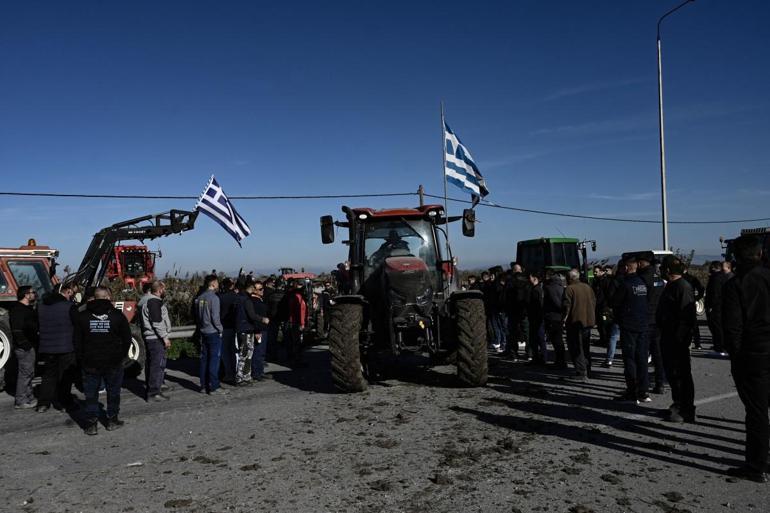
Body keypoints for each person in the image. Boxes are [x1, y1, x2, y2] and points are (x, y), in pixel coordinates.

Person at [722, 235, 770, 482]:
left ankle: (756, 464)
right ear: (759, 254)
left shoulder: (736, 284)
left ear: (735, 257)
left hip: (753, 355)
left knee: (757, 412)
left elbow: (733, 328)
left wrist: (737, 355)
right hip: (760, 351)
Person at [72, 287, 132, 435]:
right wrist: (121, 356)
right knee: (113, 391)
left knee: (91, 393)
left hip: (90, 362)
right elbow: (127, 338)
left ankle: (92, 424)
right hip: (113, 361)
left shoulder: (82, 316)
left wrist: (81, 358)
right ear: (107, 297)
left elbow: (76, 341)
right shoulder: (117, 315)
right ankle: (112, 420)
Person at [657, 257, 697, 422]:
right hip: (668, 337)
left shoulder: (683, 287)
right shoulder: (672, 286)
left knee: (681, 375)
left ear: (667, 270)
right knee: (673, 374)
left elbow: (687, 318)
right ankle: (677, 403)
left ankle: (685, 409)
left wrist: (680, 340)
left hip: (677, 340)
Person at [36, 283, 78, 413]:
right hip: (66, 346)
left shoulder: (41, 306)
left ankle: (43, 403)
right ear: (66, 292)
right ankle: (64, 402)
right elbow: (77, 324)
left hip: (47, 347)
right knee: (65, 377)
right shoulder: (69, 306)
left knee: (48, 376)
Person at [612, 257, 649, 402]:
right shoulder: (642, 283)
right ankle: (644, 390)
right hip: (643, 324)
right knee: (642, 359)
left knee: (630, 359)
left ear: (627, 268)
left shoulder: (625, 284)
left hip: (629, 325)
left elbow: (615, 302)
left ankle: (632, 391)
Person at [638, 254, 666, 394]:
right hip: (658, 320)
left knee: (642, 354)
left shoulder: (643, 279)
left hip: (645, 320)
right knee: (658, 354)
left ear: (643, 263)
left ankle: (643, 386)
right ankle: (660, 383)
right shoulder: (659, 279)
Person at [140, 281, 172, 402]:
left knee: (152, 364)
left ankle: (153, 388)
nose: (165, 291)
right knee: (157, 365)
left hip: (150, 337)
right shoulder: (154, 301)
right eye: (164, 289)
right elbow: (157, 322)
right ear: (159, 290)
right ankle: (154, 393)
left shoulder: (145, 299)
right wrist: (165, 337)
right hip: (155, 338)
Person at [562, 269, 596, 381]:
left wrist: (564, 320)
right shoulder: (587, 287)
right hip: (588, 321)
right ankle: (588, 369)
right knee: (585, 347)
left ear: (570, 278)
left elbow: (566, 307)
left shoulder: (569, 289)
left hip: (575, 322)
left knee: (576, 348)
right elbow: (594, 302)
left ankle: (581, 372)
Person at [10, 286, 39, 410]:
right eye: (33, 293)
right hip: (25, 347)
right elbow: (17, 330)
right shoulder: (18, 310)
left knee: (29, 373)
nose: (35, 295)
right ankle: (20, 400)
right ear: (26, 295)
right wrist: (25, 345)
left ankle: (29, 397)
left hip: (30, 345)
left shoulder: (27, 309)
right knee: (25, 373)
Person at [195, 274, 225, 394]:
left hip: (203, 331)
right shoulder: (214, 298)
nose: (218, 285)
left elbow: (197, 316)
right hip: (213, 332)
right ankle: (214, 386)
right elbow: (215, 317)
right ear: (212, 283)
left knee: (204, 359)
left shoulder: (200, 297)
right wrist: (220, 329)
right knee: (214, 359)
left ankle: (203, 385)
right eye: (217, 282)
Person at [504, 263, 530, 359]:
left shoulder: (510, 281)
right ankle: (529, 353)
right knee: (527, 332)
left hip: (512, 310)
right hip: (524, 311)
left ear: (513, 270)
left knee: (512, 333)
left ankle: (514, 353)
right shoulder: (527, 280)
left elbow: (505, 296)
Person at [706, 260, 732, 356]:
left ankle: (719, 348)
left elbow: (715, 293)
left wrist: (711, 306)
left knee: (716, 327)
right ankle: (720, 346)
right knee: (718, 327)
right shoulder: (721, 277)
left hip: (715, 307)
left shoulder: (716, 278)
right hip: (719, 306)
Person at [543, 270, 566, 368]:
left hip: (553, 316)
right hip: (559, 316)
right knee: (558, 339)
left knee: (556, 340)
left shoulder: (550, 287)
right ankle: (561, 360)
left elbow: (556, 302)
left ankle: (560, 362)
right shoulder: (560, 286)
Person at [601, 263, 623, 367]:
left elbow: (610, 296)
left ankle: (609, 359)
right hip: (629, 314)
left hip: (616, 313)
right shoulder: (631, 280)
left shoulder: (614, 281)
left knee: (613, 337)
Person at [217, 277, 238, 384]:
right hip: (234, 327)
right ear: (232, 285)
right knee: (234, 351)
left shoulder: (220, 298)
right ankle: (235, 372)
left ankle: (228, 373)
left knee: (225, 352)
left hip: (223, 327)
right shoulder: (236, 297)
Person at [249, 281, 271, 381]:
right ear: (254, 290)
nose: (263, 291)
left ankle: (260, 371)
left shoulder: (259, 300)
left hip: (263, 329)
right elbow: (255, 318)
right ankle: (256, 373)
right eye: (260, 289)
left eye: (263, 289)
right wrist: (257, 331)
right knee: (258, 351)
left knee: (261, 352)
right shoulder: (254, 301)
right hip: (260, 330)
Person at [682, 267, 705, 349]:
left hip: (681, 304)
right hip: (691, 303)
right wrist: (697, 298)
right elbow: (701, 289)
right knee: (694, 324)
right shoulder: (692, 278)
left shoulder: (679, 279)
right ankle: (697, 343)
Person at [527, 273, 546, 365]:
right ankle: (540, 357)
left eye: (530, 277)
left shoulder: (536, 290)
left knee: (537, 338)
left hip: (536, 318)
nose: (528, 279)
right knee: (538, 338)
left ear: (535, 278)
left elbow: (537, 305)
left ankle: (540, 358)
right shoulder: (538, 289)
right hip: (537, 317)